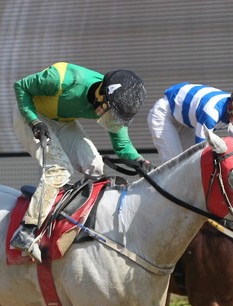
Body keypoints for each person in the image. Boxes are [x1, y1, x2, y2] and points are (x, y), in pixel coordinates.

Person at [10, 62, 150, 263]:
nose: (112, 119)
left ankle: (89, 225)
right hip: (31, 115)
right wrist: (34, 121)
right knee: (59, 169)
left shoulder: (113, 102)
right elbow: (21, 86)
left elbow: (122, 146)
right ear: (102, 94)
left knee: (95, 166)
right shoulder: (61, 78)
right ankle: (26, 231)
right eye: (112, 112)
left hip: (63, 121)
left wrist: (140, 161)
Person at [146, 82, 233, 163]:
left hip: (188, 122)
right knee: (175, 166)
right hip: (165, 114)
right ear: (232, 105)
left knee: (187, 164)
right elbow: (201, 151)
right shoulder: (212, 111)